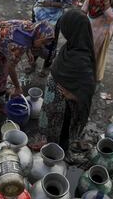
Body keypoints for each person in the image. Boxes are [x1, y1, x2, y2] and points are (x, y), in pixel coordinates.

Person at [38, 10, 96, 153]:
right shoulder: (71, 46)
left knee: (61, 136)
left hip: (64, 110)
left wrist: (73, 95)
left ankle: (58, 157)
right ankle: (50, 146)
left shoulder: (81, 59)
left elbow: (88, 88)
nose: (63, 32)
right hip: (54, 104)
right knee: (52, 133)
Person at [0, 20, 54, 109]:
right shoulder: (19, 45)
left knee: (3, 74)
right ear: (38, 36)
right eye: (42, 43)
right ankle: (0, 102)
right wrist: (17, 87)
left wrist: (28, 51)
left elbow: (27, 37)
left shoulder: (30, 27)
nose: (43, 46)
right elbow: (11, 67)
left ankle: (2, 90)